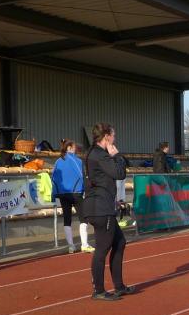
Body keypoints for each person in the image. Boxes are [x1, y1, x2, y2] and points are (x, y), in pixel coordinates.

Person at [83, 122, 135, 300]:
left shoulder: (92, 153)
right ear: (106, 136)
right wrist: (117, 156)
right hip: (100, 208)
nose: (115, 138)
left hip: (100, 205)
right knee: (102, 248)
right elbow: (119, 173)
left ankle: (119, 286)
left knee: (119, 242)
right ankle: (98, 290)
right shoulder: (100, 155)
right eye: (113, 135)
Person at [52, 139, 93, 254]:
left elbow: (53, 178)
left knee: (67, 219)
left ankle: (71, 246)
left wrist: (55, 194)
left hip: (62, 194)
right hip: (75, 193)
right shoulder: (77, 161)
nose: (76, 149)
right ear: (69, 148)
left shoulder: (57, 161)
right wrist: (85, 191)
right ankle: (84, 244)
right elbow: (82, 176)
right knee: (83, 218)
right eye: (74, 147)